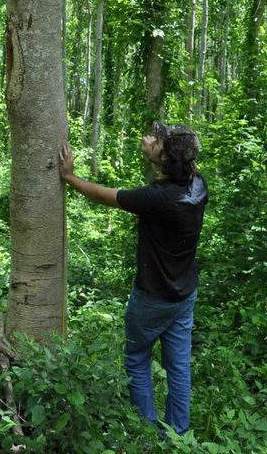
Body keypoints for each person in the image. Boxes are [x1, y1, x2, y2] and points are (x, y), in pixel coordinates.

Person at [58, 122, 208, 436]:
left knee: (137, 357)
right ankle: (177, 435)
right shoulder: (198, 186)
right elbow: (176, 165)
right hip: (184, 295)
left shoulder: (158, 198)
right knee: (178, 367)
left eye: (157, 141)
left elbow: (106, 195)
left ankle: (147, 428)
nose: (149, 140)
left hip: (153, 297)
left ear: (167, 159)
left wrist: (70, 177)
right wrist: (156, 151)